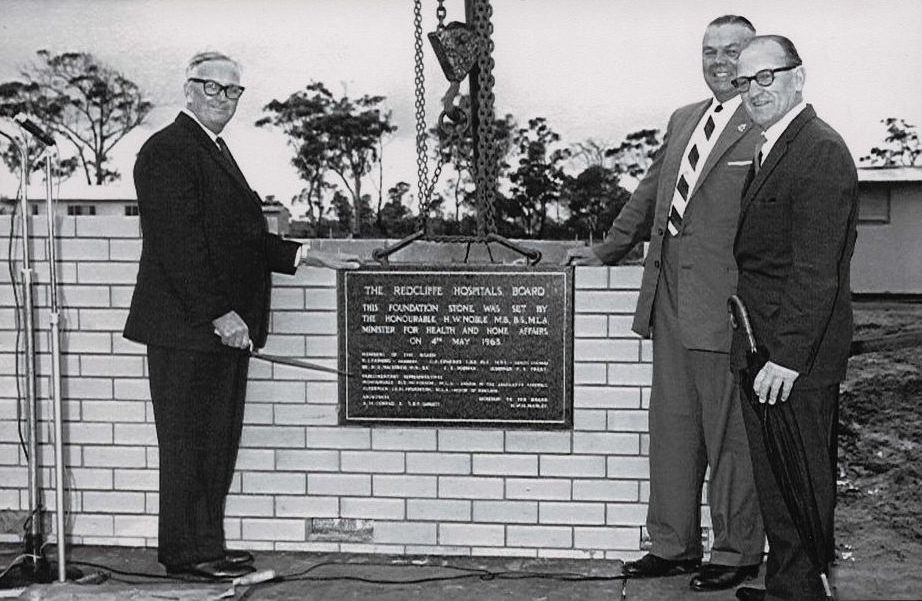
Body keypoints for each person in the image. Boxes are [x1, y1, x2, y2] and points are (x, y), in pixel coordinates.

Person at [123, 51, 359, 579]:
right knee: (189, 445)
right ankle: (188, 554)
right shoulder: (166, 151)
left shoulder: (212, 149)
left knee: (216, 444)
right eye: (213, 88)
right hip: (191, 331)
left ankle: (207, 544)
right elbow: (177, 244)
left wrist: (307, 254)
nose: (223, 99)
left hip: (220, 331)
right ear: (188, 90)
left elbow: (240, 238)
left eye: (233, 92)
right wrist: (219, 313)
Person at [565, 16, 765, 591]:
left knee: (730, 436)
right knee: (673, 431)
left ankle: (736, 551)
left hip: (726, 308)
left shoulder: (766, 124)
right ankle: (673, 545)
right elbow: (652, 191)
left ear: (756, 60)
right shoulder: (684, 120)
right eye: (710, 51)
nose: (719, 61)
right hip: (668, 301)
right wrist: (606, 251)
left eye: (733, 51)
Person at [730, 36, 858, 601]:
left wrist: (786, 357)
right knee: (779, 486)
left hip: (792, 361)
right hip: (763, 351)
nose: (753, 91)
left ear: (797, 77)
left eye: (766, 77)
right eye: (744, 81)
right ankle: (788, 587)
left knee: (802, 485)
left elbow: (815, 271)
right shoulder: (773, 146)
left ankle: (804, 592)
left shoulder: (819, 150)